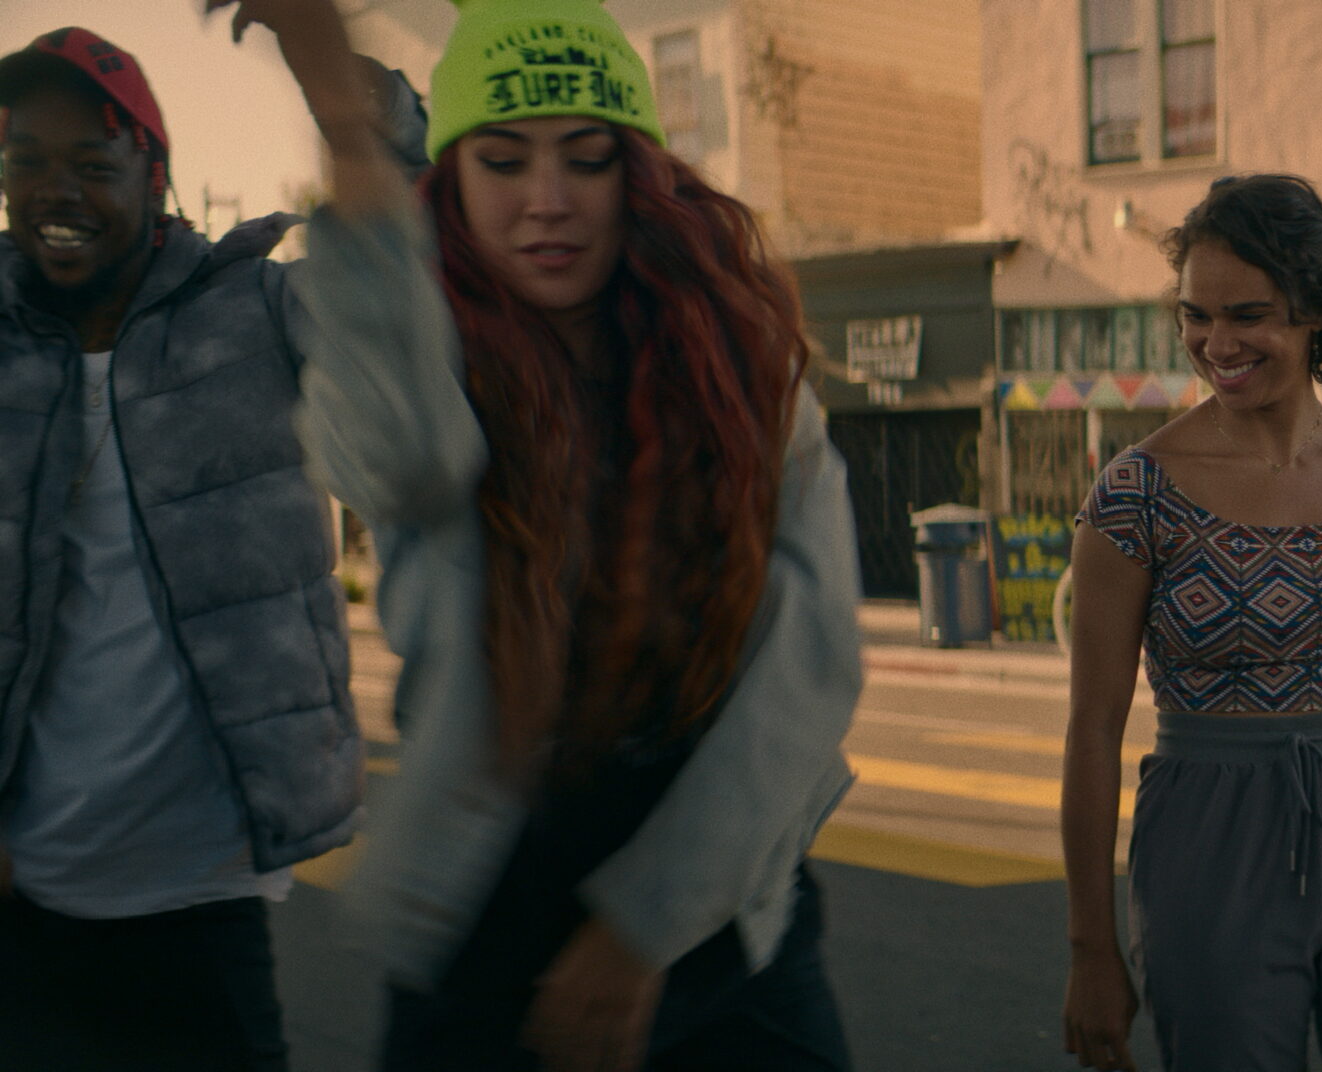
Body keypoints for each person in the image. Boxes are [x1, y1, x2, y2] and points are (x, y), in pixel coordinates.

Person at [231, 0, 863, 1067]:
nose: (548, 202)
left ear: (640, 177)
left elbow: (808, 670)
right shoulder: (419, 347)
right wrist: (346, 128)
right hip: (484, 903)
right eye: (504, 160)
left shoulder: (745, 371)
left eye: (586, 158)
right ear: (453, 180)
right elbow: (393, 458)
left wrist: (641, 929)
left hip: (718, 901)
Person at [0, 26, 396, 1070]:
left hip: (202, 899)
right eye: (26, 161)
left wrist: (330, 72)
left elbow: (394, 272)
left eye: (93, 163)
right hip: (23, 903)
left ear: (154, 172)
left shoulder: (253, 314)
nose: (56, 190)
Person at [1060, 173, 1322, 1072]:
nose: (1216, 343)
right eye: (1194, 316)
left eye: (1247, 315)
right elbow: (1093, 728)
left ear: (1315, 313)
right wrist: (1091, 950)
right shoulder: (1135, 496)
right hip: (1212, 841)